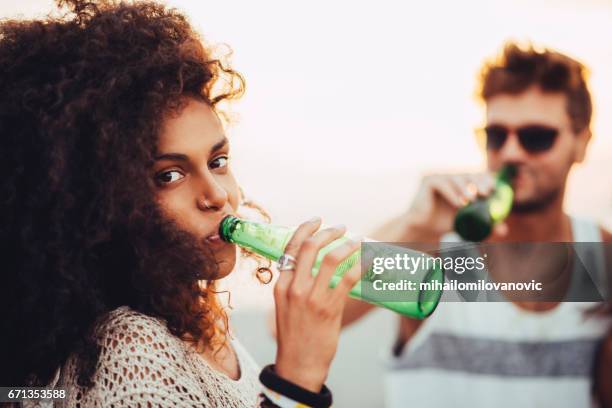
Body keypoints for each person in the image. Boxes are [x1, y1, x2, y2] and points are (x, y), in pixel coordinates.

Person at [0, 1, 362, 407]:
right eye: (169, 175)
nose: (217, 195)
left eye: (217, 162)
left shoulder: (201, 326)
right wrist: (298, 376)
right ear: (99, 205)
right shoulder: (133, 350)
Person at [342, 42, 612, 407]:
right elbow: (300, 318)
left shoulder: (603, 257)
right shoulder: (437, 249)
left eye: (536, 137)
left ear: (581, 143)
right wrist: (415, 230)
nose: (511, 153)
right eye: (497, 135)